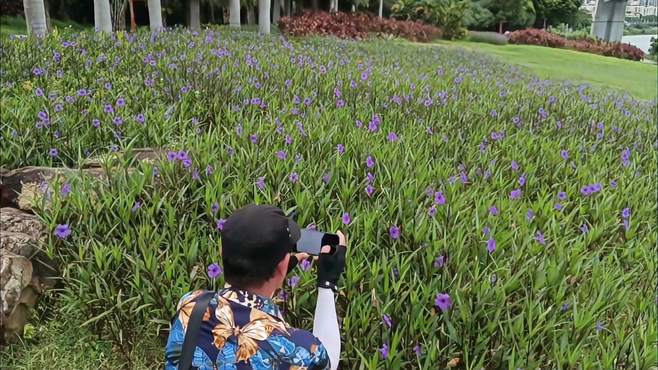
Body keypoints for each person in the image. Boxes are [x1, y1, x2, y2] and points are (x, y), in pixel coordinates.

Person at [165, 204, 347, 369]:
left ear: (222, 253)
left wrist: (277, 273)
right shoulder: (298, 351)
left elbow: (232, 301)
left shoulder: (190, 305)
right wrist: (327, 283)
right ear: (281, 266)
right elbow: (328, 360)